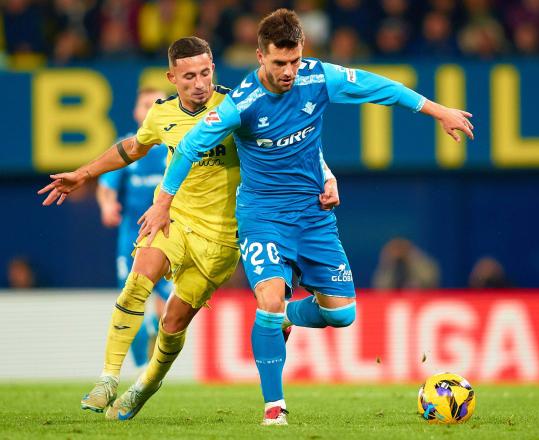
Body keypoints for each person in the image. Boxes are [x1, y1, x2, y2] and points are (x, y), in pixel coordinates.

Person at [139, 9, 474, 425]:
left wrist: (437, 110)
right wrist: (164, 202)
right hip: (262, 217)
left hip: (313, 216)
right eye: (280, 63)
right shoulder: (242, 103)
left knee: (341, 314)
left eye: (295, 60)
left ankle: (283, 316)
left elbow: (376, 87)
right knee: (269, 297)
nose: (290, 71)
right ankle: (274, 407)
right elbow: (189, 147)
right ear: (260, 56)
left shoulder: (318, 77)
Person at [38, 35, 339, 421]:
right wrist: (83, 173)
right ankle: (108, 378)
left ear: (214, 69)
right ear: (172, 77)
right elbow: (131, 148)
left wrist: (327, 177)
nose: (199, 84)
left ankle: (145, 384)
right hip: (175, 220)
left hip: (224, 240)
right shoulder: (161, 115)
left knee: (174, 321)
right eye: (189, 77)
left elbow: (294, 142)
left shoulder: (238, 104)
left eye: (205, 73)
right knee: (139, 279)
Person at [96, 87, 173, 371]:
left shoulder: (175, 144)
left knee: (169, 301)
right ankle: (142, 364)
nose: (152, 110)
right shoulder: (128, 146)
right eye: (146, 105)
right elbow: (106, 187)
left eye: (158, 104)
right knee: (129, 301)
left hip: (168, 236)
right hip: (132, 237)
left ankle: (153, 361)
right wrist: (107, 205)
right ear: (136, 112)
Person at [372, 237, 441, 290]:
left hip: (421, 297)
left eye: (401, 249)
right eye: (395, 250)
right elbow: (380, 287)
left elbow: (429, 281)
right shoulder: (388, 267)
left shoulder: (421, 264)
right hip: (394, 300)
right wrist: (388, 263)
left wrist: (412, 259)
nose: (399, 253)